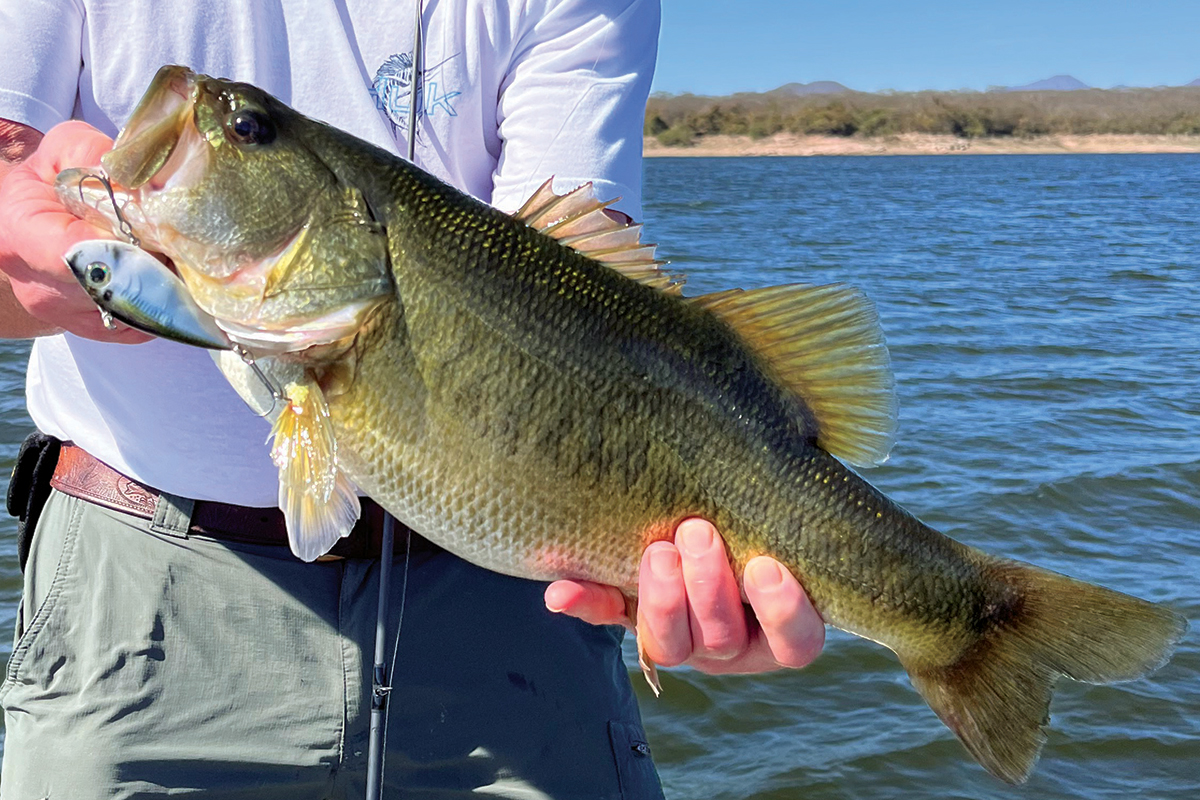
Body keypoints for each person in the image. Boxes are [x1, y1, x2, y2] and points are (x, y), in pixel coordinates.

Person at [0, 2, 824, 797]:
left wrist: (692, 577)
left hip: (509, 605)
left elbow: (582, 303)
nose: (213, 125)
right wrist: (34, 257)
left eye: (247, 132)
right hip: (138, 596)